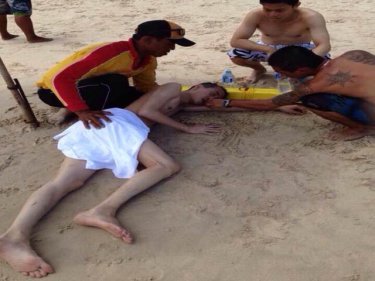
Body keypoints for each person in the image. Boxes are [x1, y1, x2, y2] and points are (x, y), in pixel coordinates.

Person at [0, 81, 227, 278]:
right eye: (212, 92)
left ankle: (14, 237)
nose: (212, 98)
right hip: (118, 124)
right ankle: (102, 210)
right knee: (166, 166)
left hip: (104, 128)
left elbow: (214, 108)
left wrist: (236, 104)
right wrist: (187, 129)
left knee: (66, 183)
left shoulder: (182, 104)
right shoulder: (173, 88)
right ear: (197, 85)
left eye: (216, 97)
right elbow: (148, 110)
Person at [36, 19, 195, 129]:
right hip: (53, 91)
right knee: (116, 82)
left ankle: (80, 107)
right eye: (170, 43)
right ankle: (71, 109)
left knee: (134, 96)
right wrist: (81, 111)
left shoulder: (148, 59)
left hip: (95, 88)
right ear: (147, 40)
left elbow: (146, 87)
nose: (172, 49)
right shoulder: (111, 52)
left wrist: (180, 96)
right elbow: (60, 79)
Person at [206, 46, 375, 140]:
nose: (283, 76)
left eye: (284, 72)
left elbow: (270, 104)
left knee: (310, 99)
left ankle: (361, 128)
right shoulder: (354, 54)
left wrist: (227, 102)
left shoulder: (314, 85)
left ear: (301, 69)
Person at [227, 0, 331, 83]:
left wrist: (301, 60)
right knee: (236, 54)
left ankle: (297, 75)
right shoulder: (255, 15)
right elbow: (236, 41)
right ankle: (259, 69)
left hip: (299, 50)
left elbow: (324, 45)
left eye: (279, 10)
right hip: (269, 47)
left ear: (296, 5)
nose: (272, 14)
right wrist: (268, 49)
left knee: (323, 63)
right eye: (267, 10)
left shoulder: (311, 17)